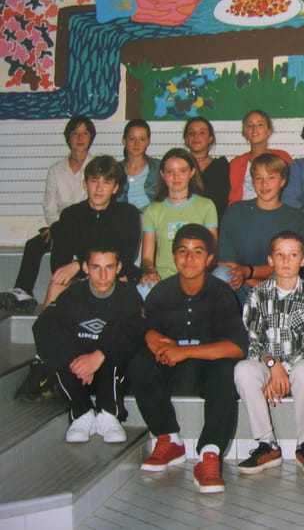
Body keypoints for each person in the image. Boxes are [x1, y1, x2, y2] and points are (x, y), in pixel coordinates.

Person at [129, 224, 247, 494]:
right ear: (174, 256)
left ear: (209, 259)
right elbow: (146, 327)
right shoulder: (162, 291)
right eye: (183, 251)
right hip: (173, 371)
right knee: (140, 360)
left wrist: (184, 351)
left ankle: (209, 454)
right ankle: (168, 438)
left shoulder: (220, 293)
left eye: (198, 252)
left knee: (225, 369)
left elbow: (237, 347)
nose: (189, 259)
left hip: (207, 373)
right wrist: (151, 337)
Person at [234, 231, 304, 476]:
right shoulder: (257, 294)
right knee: (243, 370)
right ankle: (267, 444)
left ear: (303, 260)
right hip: (268, 363)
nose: (286, 261)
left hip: (299, 364)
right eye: (280, 255)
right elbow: (252, 339)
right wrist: (273, 365)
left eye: (293, 255)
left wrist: (283, 370)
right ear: (270, 260)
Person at [33, 245, 143, 444]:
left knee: (120, 336)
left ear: (118, 268)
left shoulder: (128, 294)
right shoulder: (73, 294)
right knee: (56, 344)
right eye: (96, 267)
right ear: (85, 268)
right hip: (78, 371)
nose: (103, 276)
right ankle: (82, 413)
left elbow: (133, 331)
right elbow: (44, 326)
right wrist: (76, 360)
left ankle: (108, 414)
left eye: (109, 267)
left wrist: (99, 356)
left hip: (110, 371)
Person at [0, 115, 95, 316]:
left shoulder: (96, 167)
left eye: (85, 133)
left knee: (62, 239)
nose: (80, 138)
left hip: (85, 227)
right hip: (59, 226)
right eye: (75, 133)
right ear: (68, 138)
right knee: (34, 245)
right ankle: (23, 290)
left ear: (91, 137)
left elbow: (94, 205)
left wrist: (61, 230)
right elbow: (49, 207)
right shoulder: (56, 170)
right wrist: (54, 228)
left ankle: (63, 292)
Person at [42, 155, 141, 308]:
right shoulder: (70, 215)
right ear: (85, 184)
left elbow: (126, 258)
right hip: (81, 278)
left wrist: (80, 265)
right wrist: (82, 273)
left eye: (107, 182)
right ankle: (45, 322)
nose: (99, 188)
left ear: (115, 188)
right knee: (57, 282)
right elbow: (59, 262)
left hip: (115, 275)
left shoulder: (128, 214)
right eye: (94, 181)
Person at [215, 153, 302, 302]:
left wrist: (249, 273)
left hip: (277, 286)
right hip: (241, 284)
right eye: (258, 178)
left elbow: (289, 266)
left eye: (271, 178)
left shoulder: (295, 217)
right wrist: (246, 278)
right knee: (221, 274)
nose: (264, 184)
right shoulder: (235, 211)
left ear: (283, 181)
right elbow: (225, 263)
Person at [140, 149, 218, 296]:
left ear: (192, 172)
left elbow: (212, 251)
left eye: (182, 171)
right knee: (143, 289)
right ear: (162, 174)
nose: (176, 177)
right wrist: (150, 271)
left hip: (196, 276)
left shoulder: (206, 206)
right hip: (163, 278)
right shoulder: (152, 210)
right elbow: (147, 258)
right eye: (170, 171)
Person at [228, 109, 292, 205]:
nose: (254, 129)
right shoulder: (236, 163)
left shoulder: (282, 157)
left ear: (269, 131)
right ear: (245, 132)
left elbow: (291, 192)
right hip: (244, 211)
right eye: (250, 125)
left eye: (260, 124)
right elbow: (233, 198)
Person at [184, 116, 229, 220]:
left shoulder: (221, 167)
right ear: (186, 139)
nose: (196, 136)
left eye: (202, 132)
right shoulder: (178, 167)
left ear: (210, 138)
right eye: (191, 133)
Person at [117, 119, 160, 211]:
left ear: (148, 142)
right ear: (124, 141)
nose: (137, 144)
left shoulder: (159, 167)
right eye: (132, 139)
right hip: (123, 216)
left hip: (151, 216)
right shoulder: (115, 170)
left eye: (142, 139)